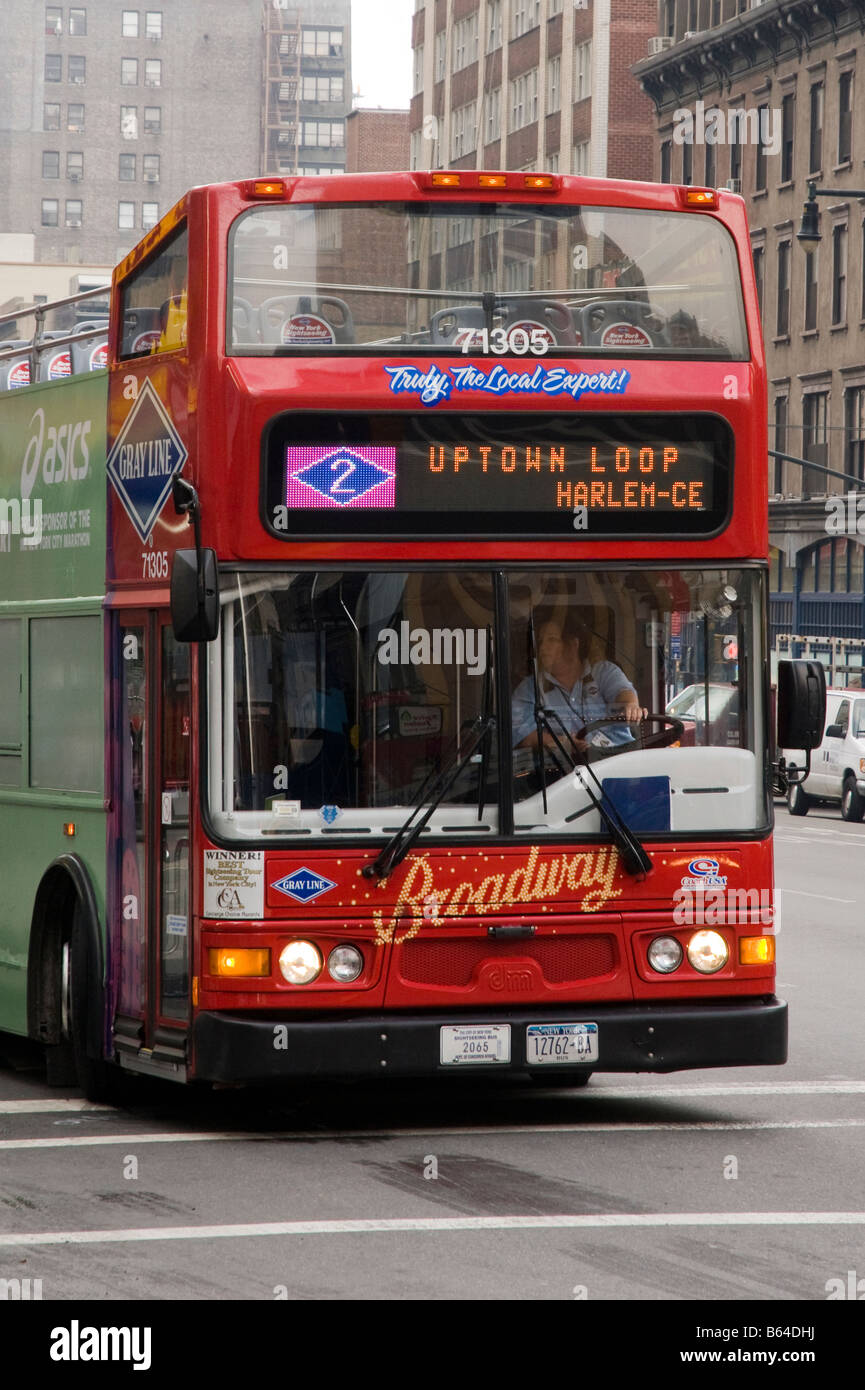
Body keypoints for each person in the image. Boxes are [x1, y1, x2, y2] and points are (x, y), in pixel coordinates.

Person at [512, 612, 645, 756]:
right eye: (541, 641)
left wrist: (631, 706)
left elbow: (623, 693)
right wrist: (562, 742)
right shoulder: (531, 688)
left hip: (619, 763)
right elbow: (520, 733)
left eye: (551, 640)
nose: (543, 647)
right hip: (566, 770)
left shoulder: (603, 672)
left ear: (573, 644)